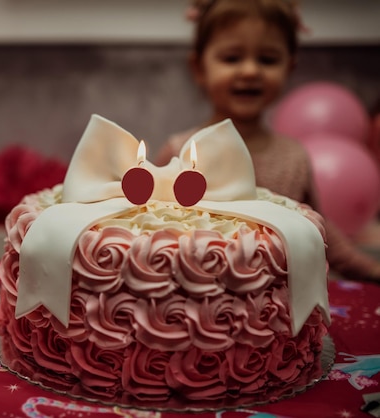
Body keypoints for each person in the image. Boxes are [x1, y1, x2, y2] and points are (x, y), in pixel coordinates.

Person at [156, 0, 380, 283]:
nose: (250, 71)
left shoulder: (294, 157)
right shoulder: (179, 152)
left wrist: (369, 268)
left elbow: (320, 232)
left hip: (275, 308)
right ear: (199, 68)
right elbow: (149, 232)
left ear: (289, 67)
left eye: (267, 59)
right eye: (232, 58)